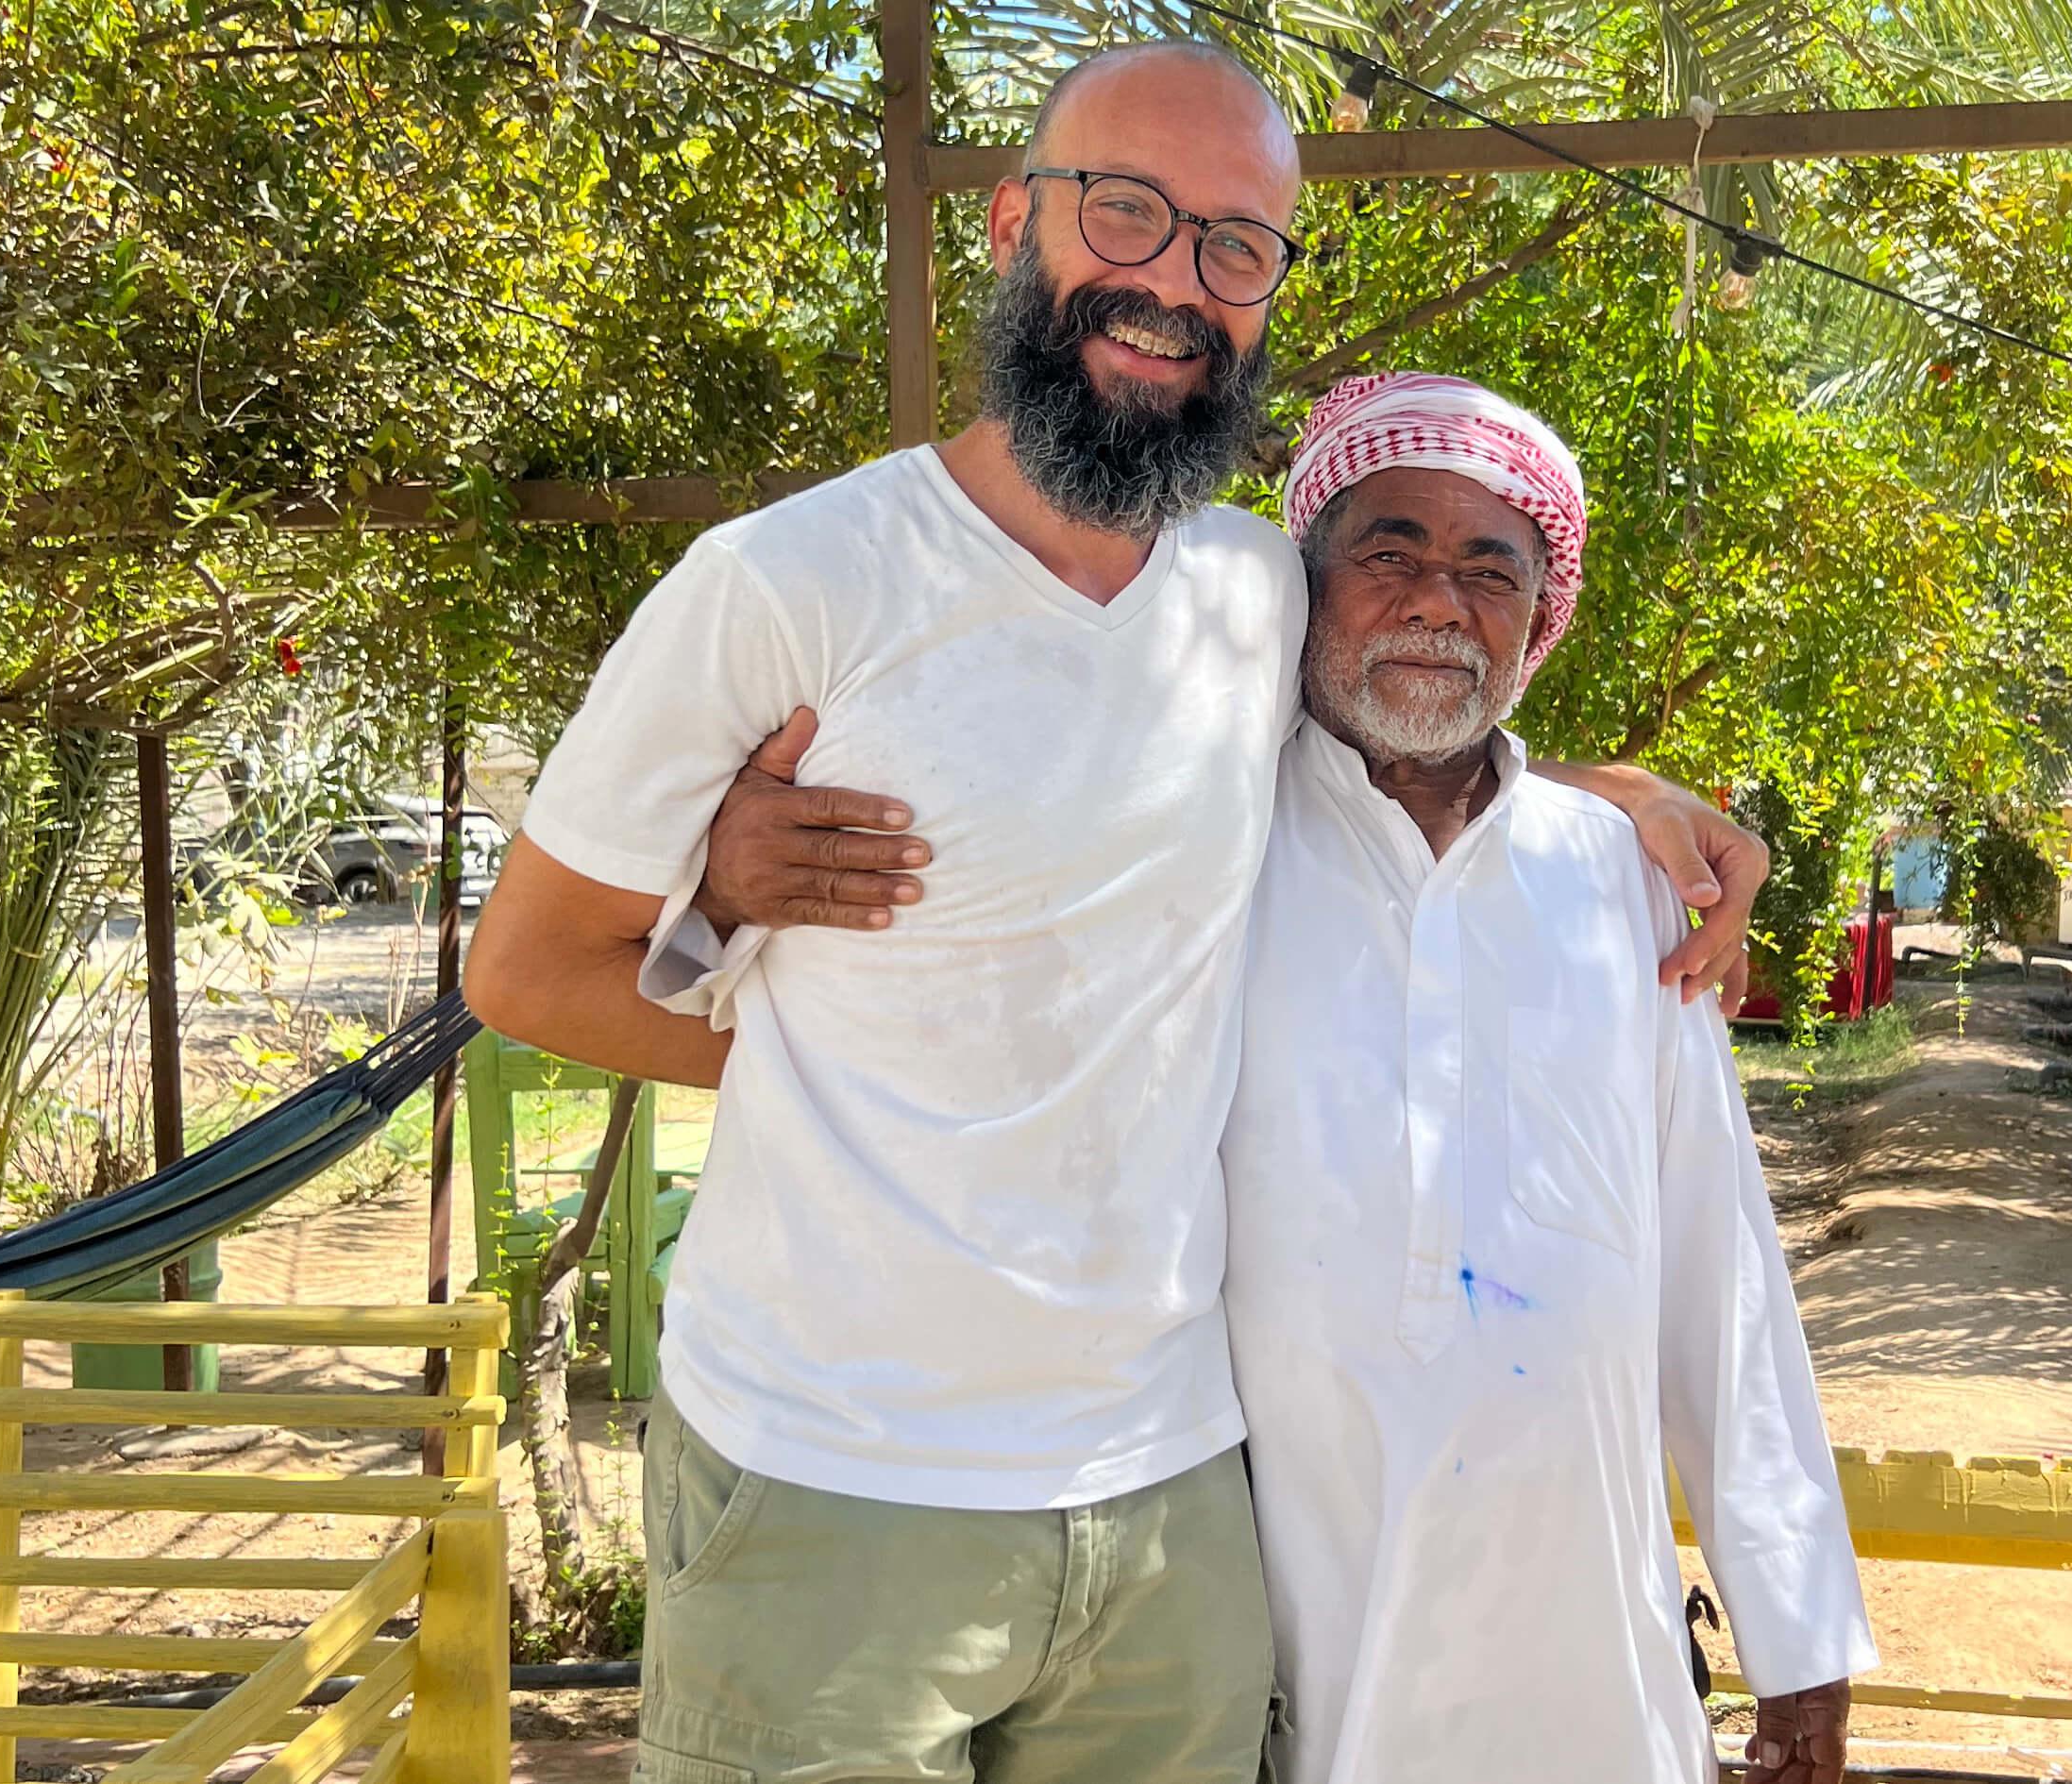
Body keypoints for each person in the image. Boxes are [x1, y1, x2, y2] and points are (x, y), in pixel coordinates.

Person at [464, 41, 1772, 1784]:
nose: (1174, 283)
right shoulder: (787, 583)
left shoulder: (1244, 592)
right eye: (1129, 213)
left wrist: (1625, 800)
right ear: (1018, 219)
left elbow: (1418, 735)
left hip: (1165, 1503)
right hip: (834, 1477)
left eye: (1236, 245)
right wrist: (801, 1010)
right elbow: (528, 969)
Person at [1222, 372, 1873, 1783]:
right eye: (1390, 549)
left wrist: (1797, 1628)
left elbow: (1718, 1263)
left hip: (1583, 1648)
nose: (1438, 602)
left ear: (1539, 617)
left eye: (1488, 569)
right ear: (1309, 585)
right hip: (1281, 1620)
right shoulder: (1216, 846)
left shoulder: (1625, 884)